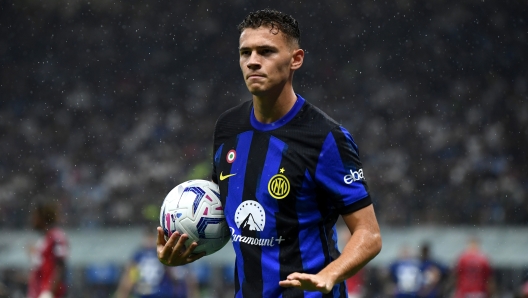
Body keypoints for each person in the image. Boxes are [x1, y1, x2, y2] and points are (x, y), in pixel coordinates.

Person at [156, 9, 382, 297]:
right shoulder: (228, 128)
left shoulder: (326, 138)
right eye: (245, 52)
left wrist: (330, 275)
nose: (253, 61)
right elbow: (225, 211)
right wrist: (188, 246)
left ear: (295, 60)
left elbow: (369, 234)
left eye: (266, 52)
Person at [115, 229, 198, 298]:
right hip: (152, 293)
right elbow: (130, 276)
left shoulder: (155, 253)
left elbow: (178, 274)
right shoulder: (139, 255)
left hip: (161, 293)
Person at [27, 200, 69, 298]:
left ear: (43, 217)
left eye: (35, 216)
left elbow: (60, 266)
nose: (32, 219)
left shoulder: (57, 236)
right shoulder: (42, 240)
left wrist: (49, 293)